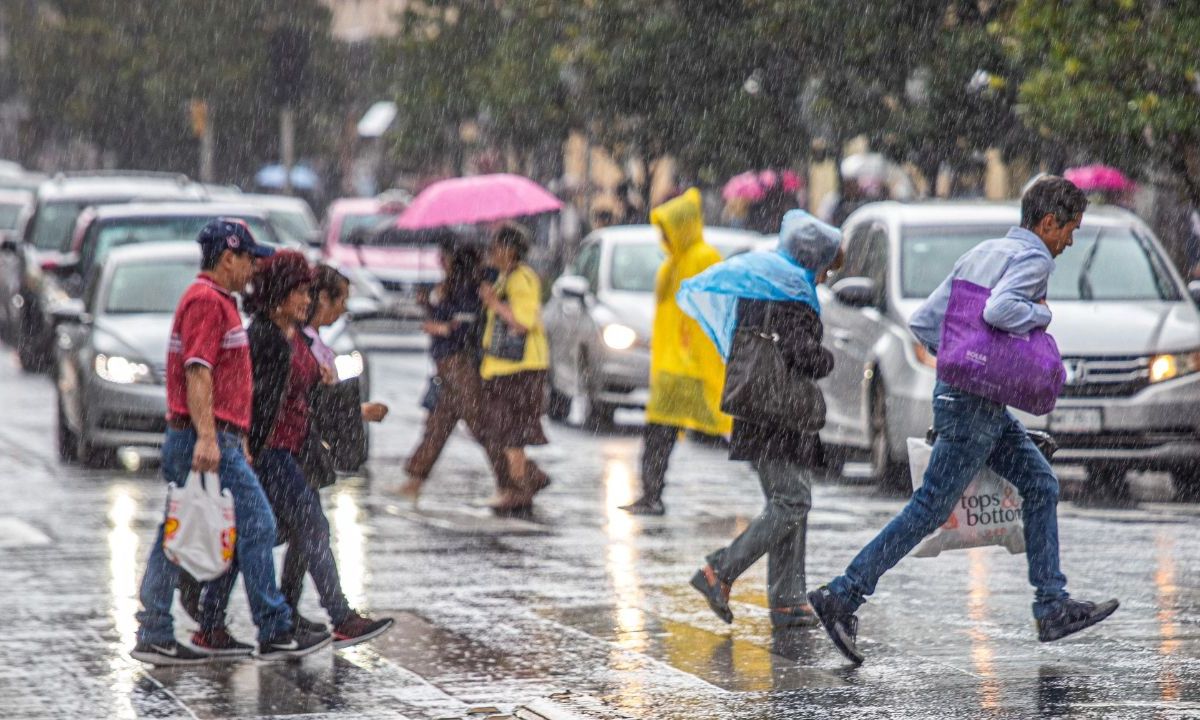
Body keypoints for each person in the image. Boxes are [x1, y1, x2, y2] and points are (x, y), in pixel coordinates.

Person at [807, 177, 1119, 664]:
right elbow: (1000, 310)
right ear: (1048, 222)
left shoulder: (983, 253)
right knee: (929, 509)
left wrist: (963, 364)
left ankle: (1052, 604)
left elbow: (927, 324)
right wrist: (1040, 316)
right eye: (1069, 230)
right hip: (975, 406)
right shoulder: (1033, 258)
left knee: (1040, 484)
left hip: (969, 398)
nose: (1068, 243)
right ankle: (843, 594)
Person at [131, 219, 330, 665]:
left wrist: (231, 436)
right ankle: (273, 627)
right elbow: (197, 371)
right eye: (248, 260)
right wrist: (209, 437)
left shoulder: (217, 301)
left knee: (176, 535)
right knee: (256, 522)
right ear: (228, 258)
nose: (253, 270)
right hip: (203, 437)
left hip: (215, 435)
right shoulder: (207, 302)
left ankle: (157, 631)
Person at [197, 251, 393, 650]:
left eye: (309, 292)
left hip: (288, 449)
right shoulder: (266, 338)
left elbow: (296, 393)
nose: (308, 300)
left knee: (253, 537)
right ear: (280, 294)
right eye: (301, 292)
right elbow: (255, 398)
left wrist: (322, 386)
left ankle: (213, 622)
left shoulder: (290, 334)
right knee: (308, 528)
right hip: (272, 452)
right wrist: (247, 444)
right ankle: (334, 617)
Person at [680, 211, 842, 628]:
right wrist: (829, 358)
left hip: (761, 408)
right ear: (813, 259)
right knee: (793, 500)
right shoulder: (793, 293)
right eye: (825, 266)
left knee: (791, 500)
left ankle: (787, 598)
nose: (824, 276)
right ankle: (721, 570)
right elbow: (802, 354)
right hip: (779, 411)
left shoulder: (761, 282)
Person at [275, 263, 390, 614]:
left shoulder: (312, 342)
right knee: (287, 531)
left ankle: (286, 613)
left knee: (297, 532)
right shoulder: (294, 342)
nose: (343, 309)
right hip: (287, 450)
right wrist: (361, 412)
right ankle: (323, 615)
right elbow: (308, 402)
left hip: (300, 450)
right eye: (340, 299)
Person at [620, 188, 732, 516]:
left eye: (669, 229)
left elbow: (707, 309)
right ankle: (651, 493)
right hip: (672, 367)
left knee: (725, 426)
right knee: (660, 432)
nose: (664, 237)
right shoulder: (672, 264)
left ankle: (775, 482)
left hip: (691, 366)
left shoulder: (702, 258)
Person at [401, 236, 511, 502]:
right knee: (439, 422)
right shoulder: (452, 284)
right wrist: (428, 304)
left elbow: (464, 324)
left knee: (478, 422)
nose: (440, 260)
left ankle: (516, 478)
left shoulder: (468, 285)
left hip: (457, 362)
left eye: (444, 256)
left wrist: (440, 326)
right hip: (446, 363)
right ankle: (415, 478)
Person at [477, 224, 552, 513]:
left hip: (520, 369)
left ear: (509, 250)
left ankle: (520, 488)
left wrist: (494, 303)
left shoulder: (522, 279)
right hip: (503, 368)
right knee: (504, 431)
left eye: (496, 247)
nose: (491, 253)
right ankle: (523, 482)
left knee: (511, 433)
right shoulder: (505, 277)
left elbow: (522, 322)